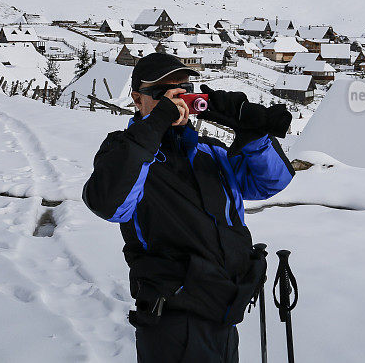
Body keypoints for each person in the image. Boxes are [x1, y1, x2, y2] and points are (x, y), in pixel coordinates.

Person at [83, 52, 295, 362]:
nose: (177, 102)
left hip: (225, 312)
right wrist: (155, 125)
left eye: (183, 91)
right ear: (137, 99)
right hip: (173, 320)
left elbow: (268, 184)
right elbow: (109, 204)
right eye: (162, 94)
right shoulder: (126, 151)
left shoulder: (211, 151)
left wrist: (253, 134)